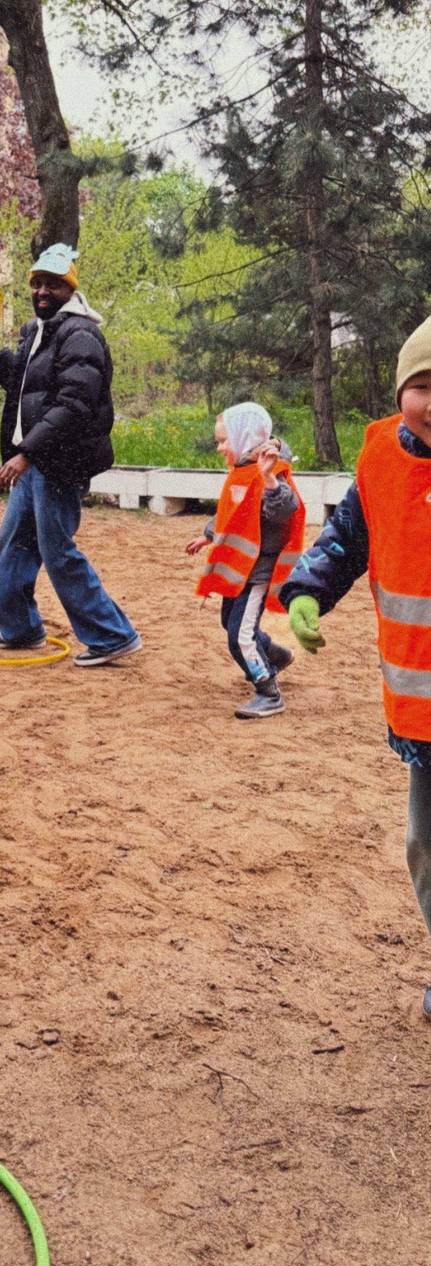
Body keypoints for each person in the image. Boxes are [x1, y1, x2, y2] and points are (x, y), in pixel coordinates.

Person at [279, 316, 431, 1013]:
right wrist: (307, 591)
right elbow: (344, 539)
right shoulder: (377, 461)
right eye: (421, 386)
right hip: (421, 711)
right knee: (422, 848)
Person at [0, 242, 141, 666]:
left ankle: (112, 635)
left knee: (57, 550)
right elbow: (28, 386)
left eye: (53, 285)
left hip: (61, 461)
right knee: (13, 545)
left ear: (70, 290)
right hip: (36, 459)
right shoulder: (38, 331)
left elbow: (73, 403)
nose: (42, 292)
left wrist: (26, 453)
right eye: (37, 284)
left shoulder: (80, 333)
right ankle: (21, 629)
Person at [185, 401, 304, 719]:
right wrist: (209, 534)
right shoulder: (240, 472)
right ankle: (275, 655)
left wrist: (269, 479)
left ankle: (268, 691)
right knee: (230, 623)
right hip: (239, 571)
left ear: (245, 437)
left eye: (224, 440)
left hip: (258, 573)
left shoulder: (271, 473)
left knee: (239, 637)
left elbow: (285, 510)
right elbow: (233, 514)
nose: (220, 446)